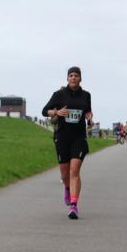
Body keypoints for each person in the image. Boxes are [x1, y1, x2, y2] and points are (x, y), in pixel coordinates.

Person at [42, 68, 93, 219]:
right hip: (62, 136)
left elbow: (88, 111)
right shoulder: (59, 95)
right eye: (71, 75)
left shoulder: (86, 95)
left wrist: (90, 118)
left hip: (79, 137)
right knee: (65, 174)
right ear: (67, 78)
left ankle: (73, 205)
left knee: (74, 171)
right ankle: (67, 187)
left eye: (76, 76)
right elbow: (44, 111)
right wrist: (56, 113)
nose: (73, 78)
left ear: (80, 79)